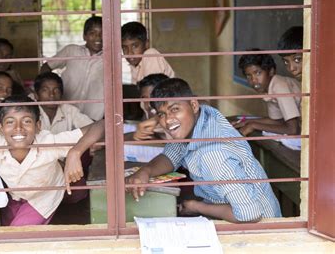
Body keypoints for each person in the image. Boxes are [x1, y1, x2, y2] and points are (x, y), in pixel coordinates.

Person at [65, 78, 282, 223]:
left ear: (193, 105)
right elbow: (172, 155)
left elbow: (249, 215)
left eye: (174, 109)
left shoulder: (213, 156)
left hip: (261, 228)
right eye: (161, 114)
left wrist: (196, 206)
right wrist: (146, 171)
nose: (167, 120)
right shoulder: (204, 117)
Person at [0, 95, 105, 226]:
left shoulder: (48, 142)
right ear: (0, 128)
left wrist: (75, 152)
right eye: (10, 122)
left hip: (44, 196)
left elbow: (103, 124)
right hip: (16, 195)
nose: (18, 128)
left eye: (26, 121)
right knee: (4, 229)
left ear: (38, 125)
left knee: (18, 235)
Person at [34, 72, 94, 203]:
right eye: (45, 90)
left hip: (67, 164)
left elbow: (92, 127)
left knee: (78, 192)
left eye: (56, 90)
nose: (51, 95)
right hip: (38, 165)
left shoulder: (69, 110)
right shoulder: (29, 112)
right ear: (36, 95)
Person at [40, 16, 104, 121]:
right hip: (65, 113)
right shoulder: (71, 51)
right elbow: (46, 67)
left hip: (94, 116)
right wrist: (45, 88)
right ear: (84, 36)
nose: (98, 37)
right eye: (92, 33)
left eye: (102, 33)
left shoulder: (110, 58)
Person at [233, 50, 301, 136]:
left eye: (258, 73)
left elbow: (293, 129)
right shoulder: (267, 89)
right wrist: (247, 122)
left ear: (271, 71)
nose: (253, 80)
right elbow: (278, 121)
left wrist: (253, 125)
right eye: (248, 75)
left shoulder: (280, 86)